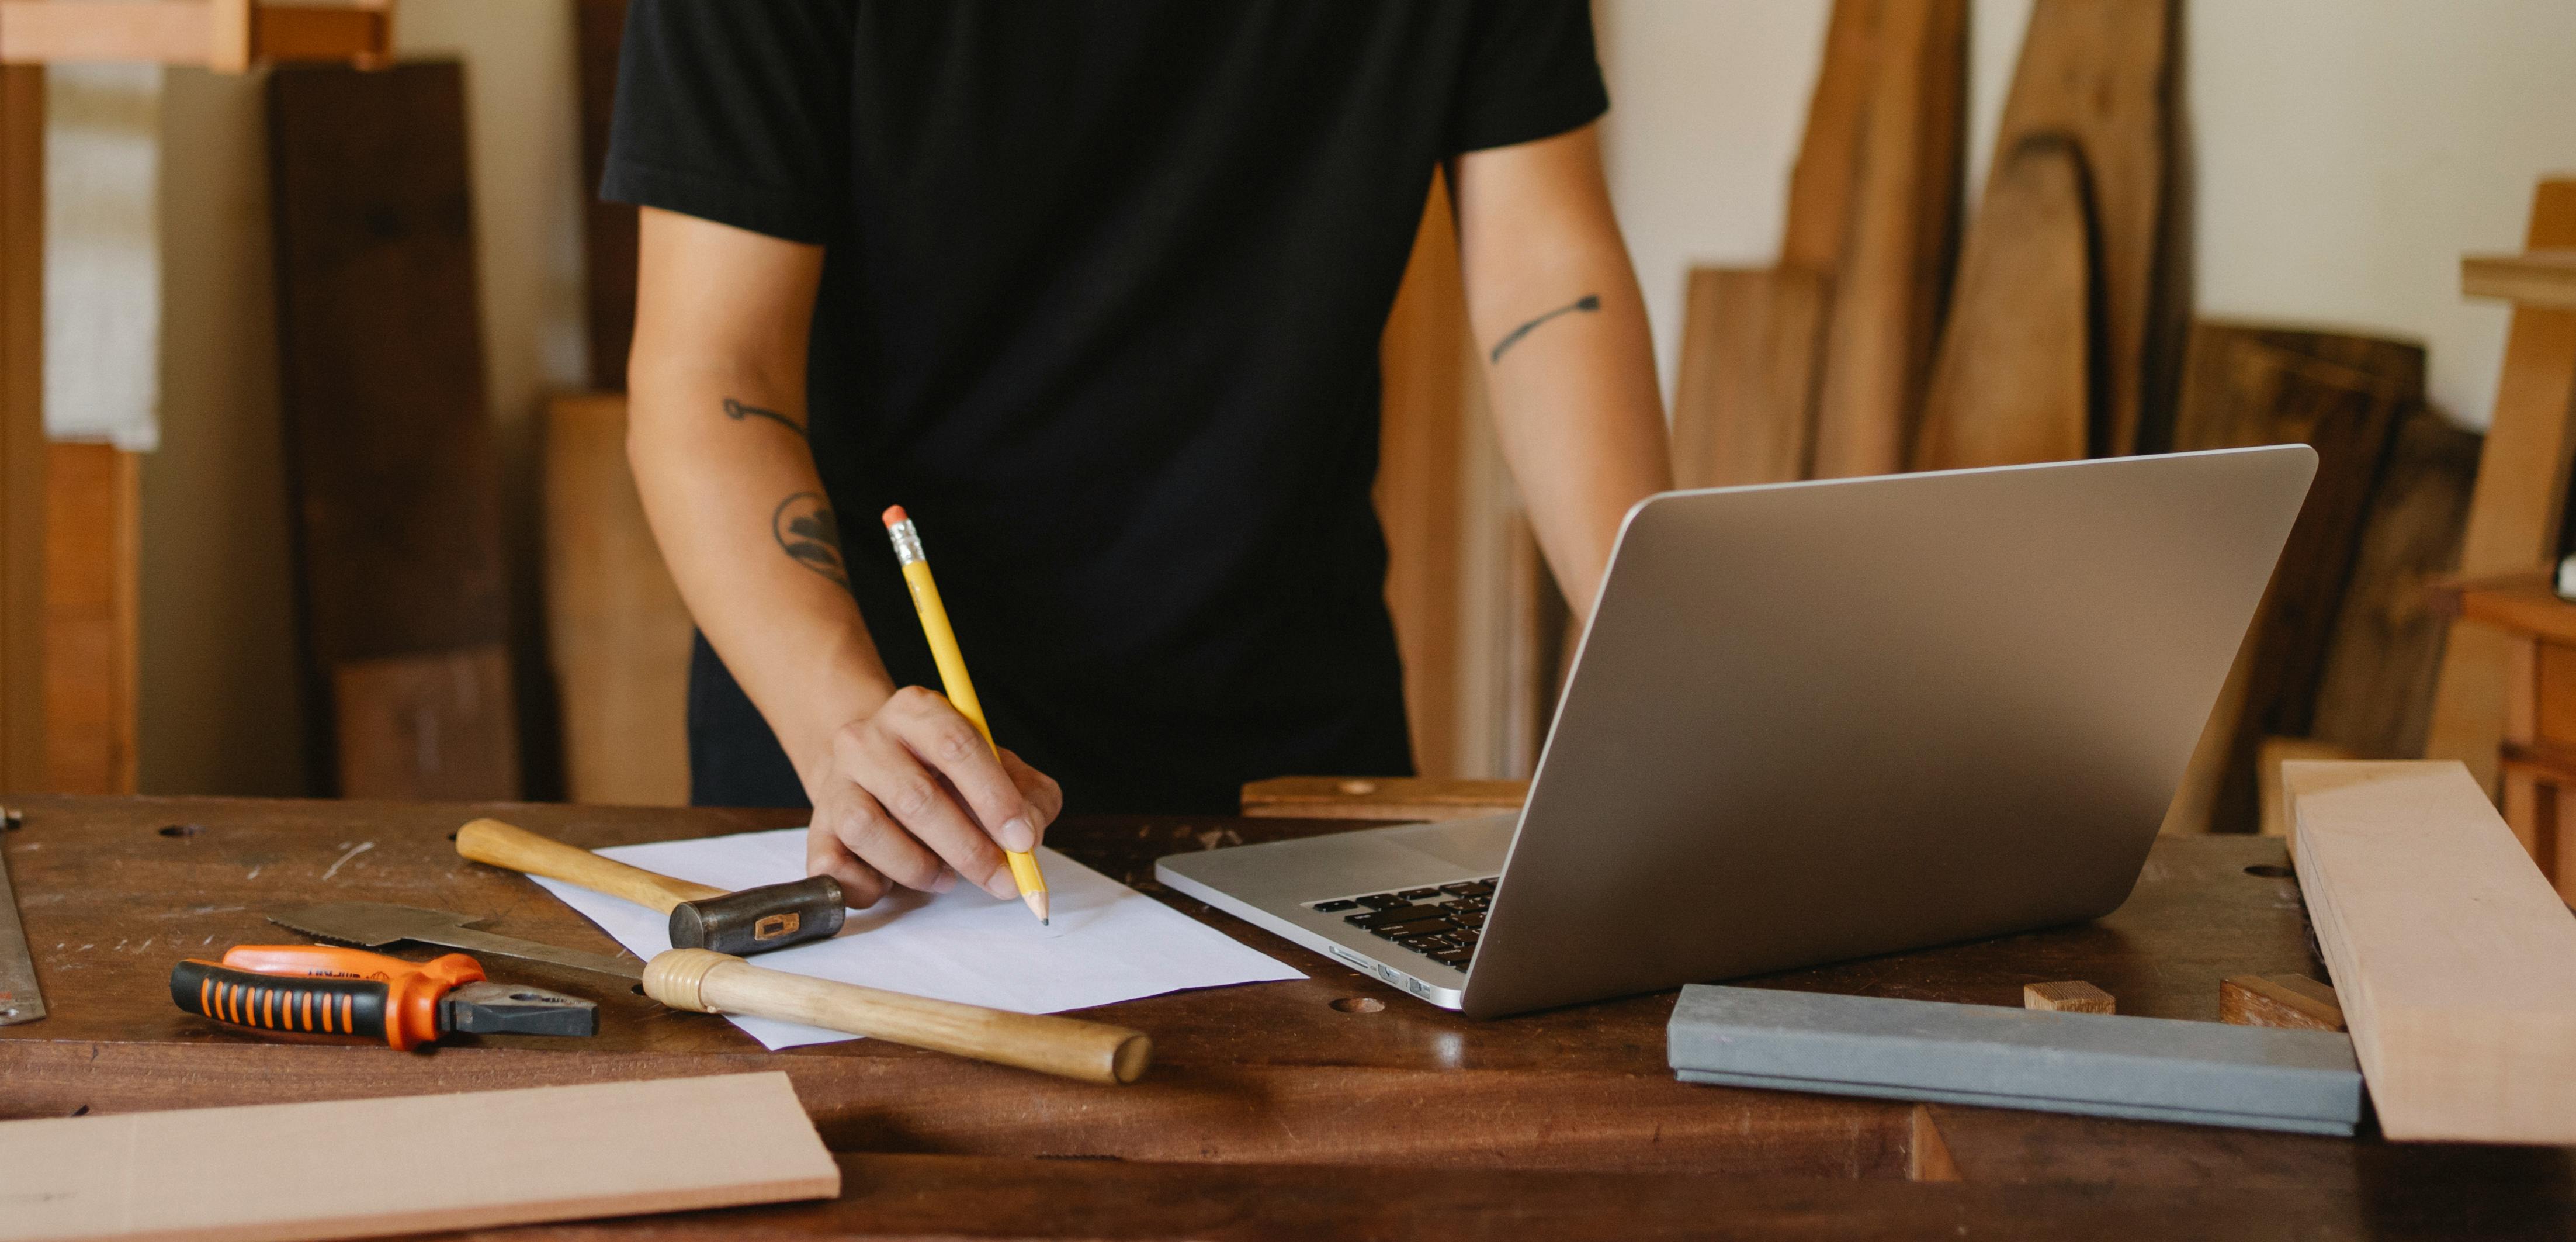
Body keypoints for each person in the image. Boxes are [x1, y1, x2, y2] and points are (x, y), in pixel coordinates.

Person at [609, 2, 1670, 911]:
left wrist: (1644, 617)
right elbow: (715, 367)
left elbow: (1546, 275)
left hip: (1287, 725)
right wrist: (842, 718)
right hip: (876, 751)